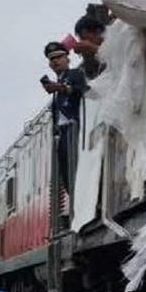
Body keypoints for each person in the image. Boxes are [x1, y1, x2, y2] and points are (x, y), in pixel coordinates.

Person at [41, 42, 87, 221]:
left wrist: (61, 88)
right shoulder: (57, 86)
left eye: (59, 57)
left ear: (67, 58)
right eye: (52, 59)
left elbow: (80, 91)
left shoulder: (75, 74)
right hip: (62, 134)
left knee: (75, 169)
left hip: (74, 130)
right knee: (65, 173)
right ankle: (75, 203)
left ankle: (81, 204)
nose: (55, 62)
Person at [73, 15, 106, 79]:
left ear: (98, 32)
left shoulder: (116, 44)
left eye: (85, 38)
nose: (83, 42)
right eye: (81, 39)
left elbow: (117, 59)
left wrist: (94, 48)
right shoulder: (81, 70)